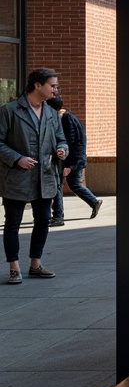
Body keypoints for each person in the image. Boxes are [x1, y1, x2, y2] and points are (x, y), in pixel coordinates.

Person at [0, 68, 68, 283]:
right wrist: (16, 158)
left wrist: (62, 149)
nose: (56, 90)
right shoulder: (9, 110)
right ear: (38, 85)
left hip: (45, 174)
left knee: (43, 220)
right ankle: (14, 267)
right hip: (17, 176)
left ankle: (35, 264)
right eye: (53, 85)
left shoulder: (50, 112)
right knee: (13, 222)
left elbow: (61, 138)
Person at [45, 97, 102, 225]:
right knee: (73, 184)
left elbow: (72, 142)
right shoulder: (67, 117)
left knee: (65, 185)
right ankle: (93, 202)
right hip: (74, 159)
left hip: (72, 160)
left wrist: (69, 164)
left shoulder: (66, 119)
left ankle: (58, 216)